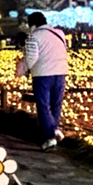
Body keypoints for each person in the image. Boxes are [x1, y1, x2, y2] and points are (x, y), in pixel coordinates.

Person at [22, 12, 69, 151]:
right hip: (60, 72)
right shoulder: (60, 33)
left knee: (43, 106)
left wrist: (24, 69)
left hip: (42, 74)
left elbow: (31, 58)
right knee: (56, 104)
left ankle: (50, 137)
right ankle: (54, 130)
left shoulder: (34, 36)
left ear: (32, 24)